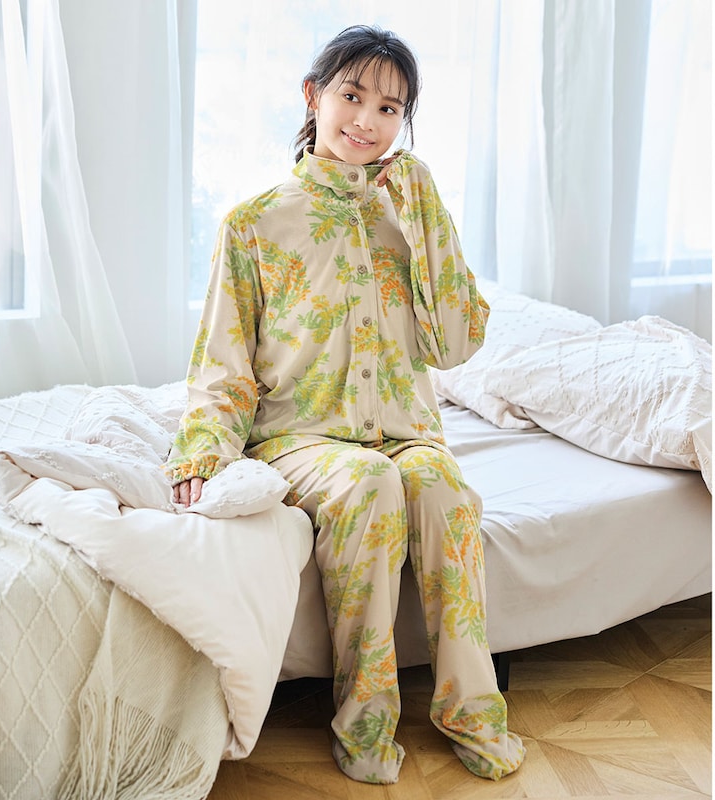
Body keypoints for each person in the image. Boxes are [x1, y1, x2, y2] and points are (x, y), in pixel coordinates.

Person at [165, 23, 525, 785]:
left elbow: (457, 344)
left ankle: (472, 711)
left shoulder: (411, 215)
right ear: (313, 96)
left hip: (405, 430)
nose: (367, 121)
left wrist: (425, 210)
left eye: (390, 109)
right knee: (370, 484)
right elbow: (222, 364)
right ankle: (363, 719)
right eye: (352, 96)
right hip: (303, 437)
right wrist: (202, 450)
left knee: (444, 492)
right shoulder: (253, 225)